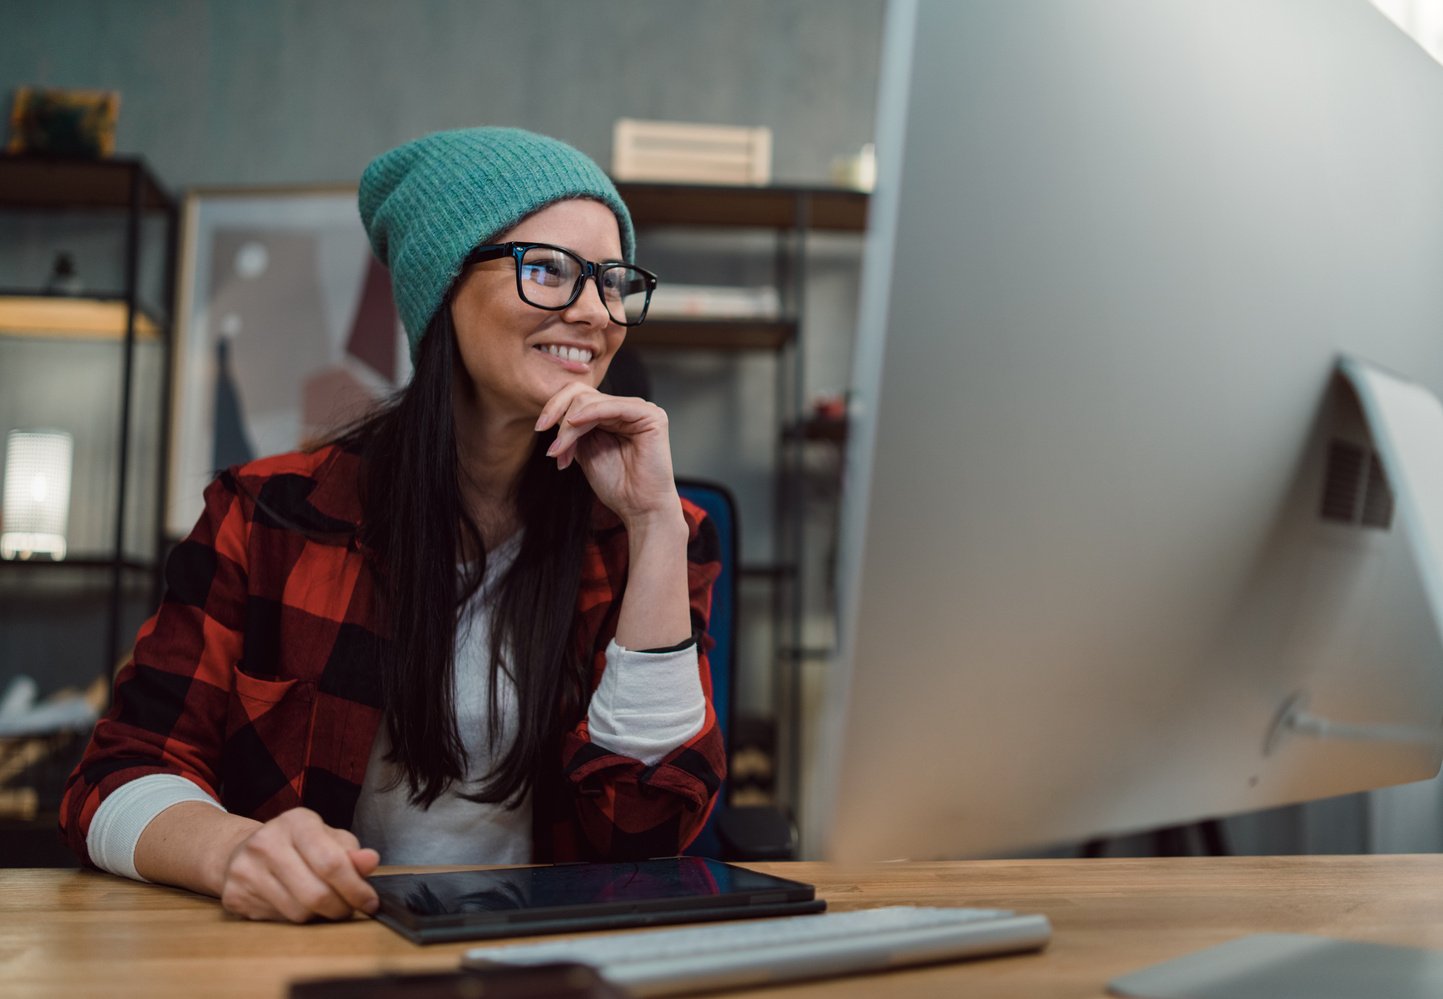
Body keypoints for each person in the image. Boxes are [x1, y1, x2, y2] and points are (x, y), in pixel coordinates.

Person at [59, 127, 726, 924]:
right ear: (442, 286)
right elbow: (117, 774)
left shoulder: (646, 531)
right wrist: (235, 849)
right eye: (547, 269)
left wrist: (653, 525)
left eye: (612, 281)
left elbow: (645, 838)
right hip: (316, 951)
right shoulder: (267, 516)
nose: (594, 311)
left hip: (542, 958)